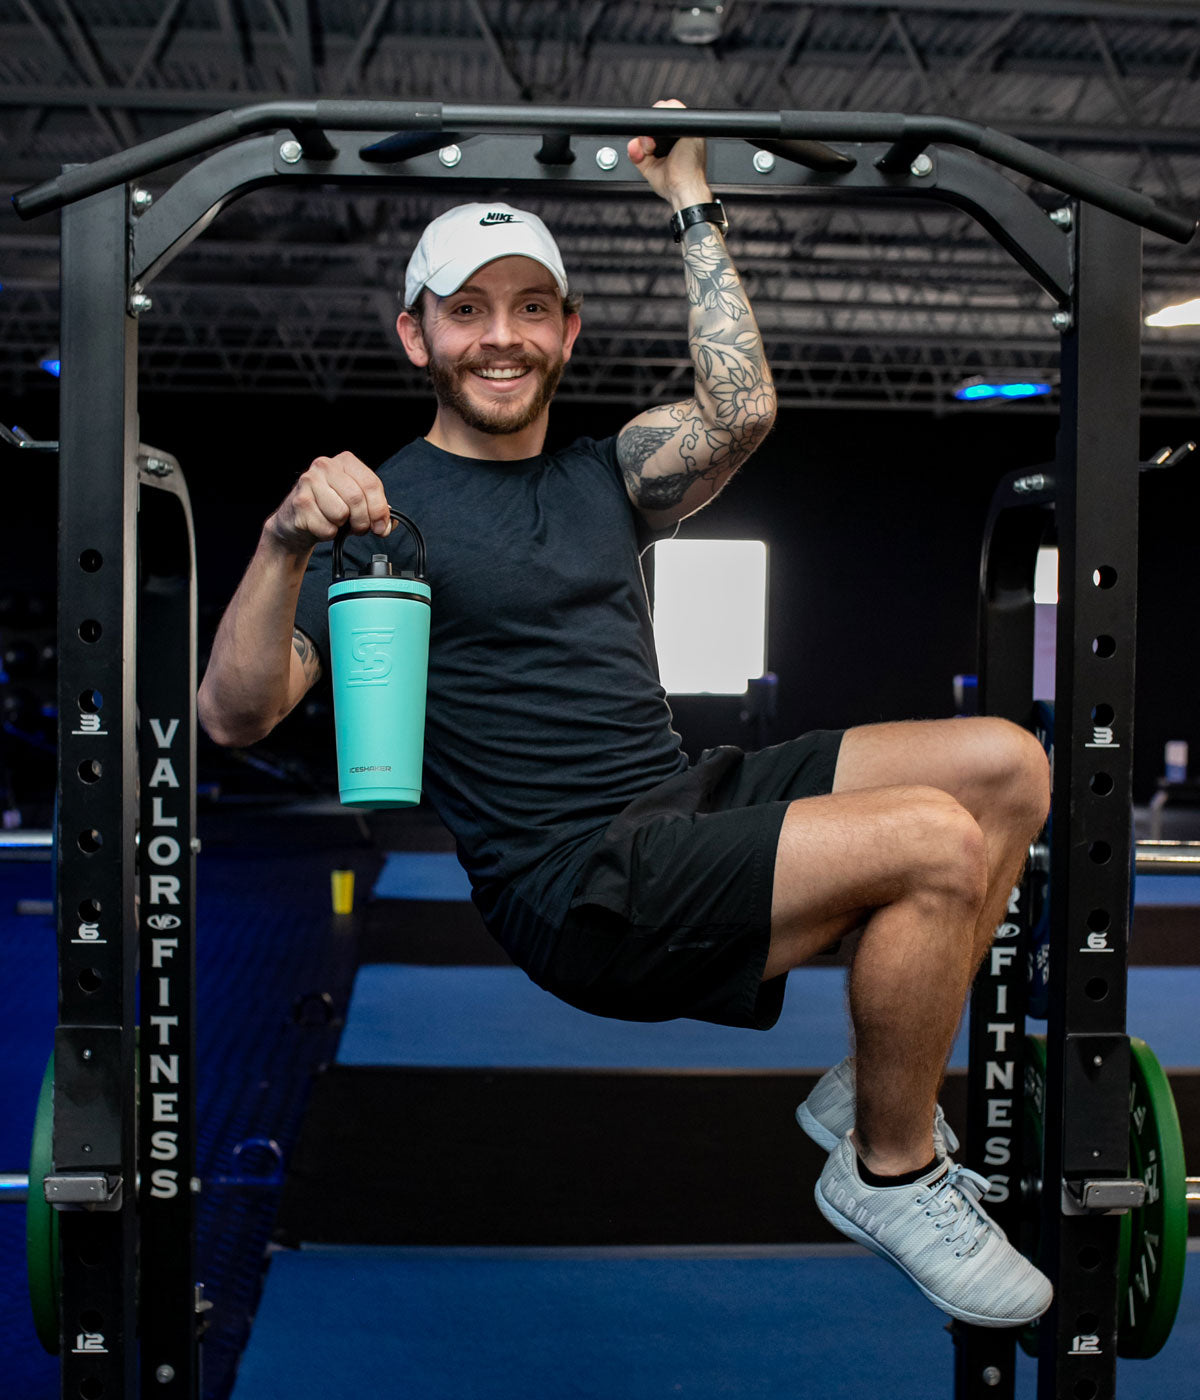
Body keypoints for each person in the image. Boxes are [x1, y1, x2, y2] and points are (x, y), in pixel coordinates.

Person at [198, 101, 1053, 1330]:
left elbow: (743, 409)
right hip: (580, 883)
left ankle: (872, 1079)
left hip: (678, 802)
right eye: (469, 309)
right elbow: (234, 713)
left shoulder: (606, 476)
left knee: (1004, 768)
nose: (503, 336)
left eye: (530, 307)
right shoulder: (382, 521)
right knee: (932, 839)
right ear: (416, 334)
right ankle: (890, 1168)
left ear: (566, 328)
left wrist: (689, 195)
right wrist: (285, 540)